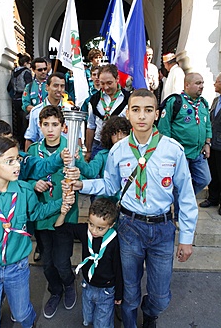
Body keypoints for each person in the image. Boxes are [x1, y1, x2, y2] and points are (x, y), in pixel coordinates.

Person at [67, 88, 198, 328]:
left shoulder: (172, 149)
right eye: (135, 110)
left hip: (162, 228)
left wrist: (187, 237)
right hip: (130, 227)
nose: (141, 116)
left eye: (148, 110)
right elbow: (109, 184)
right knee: (129, 293)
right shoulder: (118, 150)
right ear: (128, 113)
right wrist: (81, 184)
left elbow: (187, 197)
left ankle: (150, 313)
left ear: (156, 114)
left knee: (160, 297)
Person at [0, 135, 75, 328]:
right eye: (9, 161)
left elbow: (36, 212)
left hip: (17, 268)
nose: (17, 165)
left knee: (22, 313)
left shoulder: (25, 190)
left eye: (17, 159)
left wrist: (61, 203)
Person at [27, 106, 79, 318]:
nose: (50, 129)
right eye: (45, 124)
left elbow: (81, 173)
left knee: (61, 261)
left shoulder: (71, 147)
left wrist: (77, 175)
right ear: (39, 126)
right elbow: (24, 177)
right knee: (47, 262)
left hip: (65, 213)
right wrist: (33, 183)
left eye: (55, 125)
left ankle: (68, 285)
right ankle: (55, 290)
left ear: (62, 126)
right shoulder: (33, 151)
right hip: (42, 215)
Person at [54, 198, 123, 328]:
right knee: (88, 317)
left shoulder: (114, 241)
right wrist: (63, 213)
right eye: (91, 224)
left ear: (111, 225)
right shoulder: (84, 231)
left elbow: (118, 268)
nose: (94, 231)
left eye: (100, 228)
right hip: (87, 285)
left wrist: (119, 293)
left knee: (102, 323)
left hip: (106, 289)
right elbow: (60, 229)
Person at [158, 72, 212, 220]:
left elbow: (207, 124)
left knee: (204, 179)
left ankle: (184, 198)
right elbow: (164, 127)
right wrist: (168, 149)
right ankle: (178, 216)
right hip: (179, 153)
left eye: (202, 83)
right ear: (186, 85)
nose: (201, 86)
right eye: (198, 83)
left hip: (197, 152)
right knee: (179, 184)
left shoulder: (203, 104)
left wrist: (207, 143)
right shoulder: (175, 102)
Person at [0, 118, 74, 189]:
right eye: (6, 140)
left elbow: (43, 166)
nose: (12, 143)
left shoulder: (23, 159)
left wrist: (60, 157)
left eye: (11, 138)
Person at [85, 64, 130, 162]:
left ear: (117, 78)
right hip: (99, 145)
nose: (106, 87)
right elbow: (91, 126)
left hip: (121, 145)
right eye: (102, 83)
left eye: (109, 83)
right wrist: (88, 151)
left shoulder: (128, 99)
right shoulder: (94, 100)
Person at [24, 72, 67, 151]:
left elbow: (77, 137)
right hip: (43, 157)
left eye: (62, 86)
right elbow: (30, 138)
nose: (59, 89)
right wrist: (28, 159)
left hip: (66, 157)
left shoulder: (69, 111)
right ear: (47, 87)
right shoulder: (36, 111)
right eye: (55, 85)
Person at [199, 72, 221, 214]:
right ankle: (213, 198)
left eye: (217, 81)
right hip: (212, 144)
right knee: (213, 172)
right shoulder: (215, 101)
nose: (214, 83)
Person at [7, 53, 32, 150]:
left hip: (15, 99)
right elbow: (29, 87)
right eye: (29, 63)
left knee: (17, 123)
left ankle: (19, 142)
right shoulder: (26, 72)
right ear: (25, 63)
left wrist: (13, 96)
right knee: (25, 124)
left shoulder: (14, 72)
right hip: (23, 99)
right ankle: (24, 144)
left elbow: (9, 87)